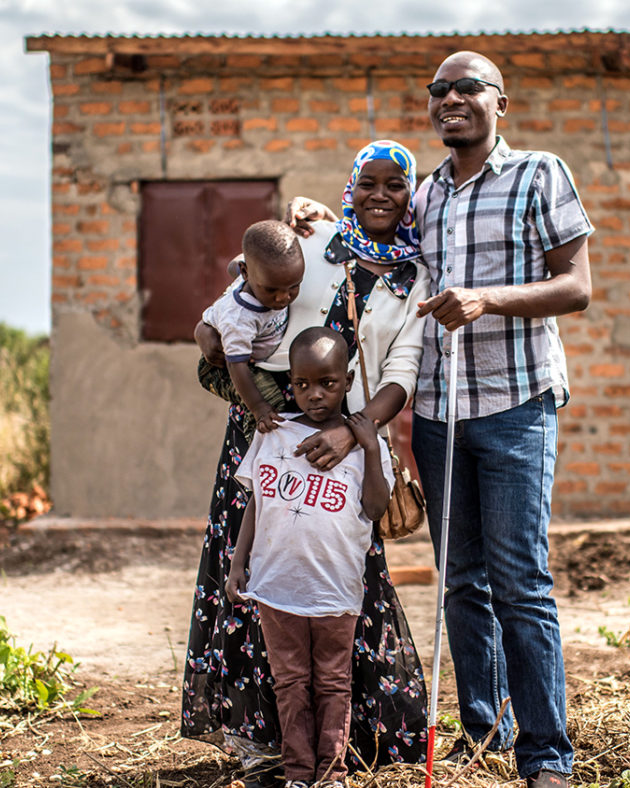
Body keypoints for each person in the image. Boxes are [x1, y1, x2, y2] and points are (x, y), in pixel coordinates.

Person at [287, 52, 593, 788]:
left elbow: (577, 286)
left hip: (517, 404)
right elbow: (380, 230)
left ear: (501, 103)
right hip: (442, 415)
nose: (451, 98)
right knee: (461, 582)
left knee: (520, 580)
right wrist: (319, 217)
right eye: (439, 91)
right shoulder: (425, 194)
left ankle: (545, 756)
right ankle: (483, 732)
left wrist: (488, 299)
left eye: (468, 88)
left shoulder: (538, 174)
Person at [182, 140, 433, 788]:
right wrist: (217, 334)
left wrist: (358, 434)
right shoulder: (316, 242)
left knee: (341, 586)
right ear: (350, 189)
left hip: (343, 453)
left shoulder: (415, 280)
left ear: (411, 197)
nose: (381, 196)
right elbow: (256, 298)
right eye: (368, 184)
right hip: (269, 436)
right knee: (256, 578)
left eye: (395, 186)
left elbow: (401, 371)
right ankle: (262, 743)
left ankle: (346, 746)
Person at [227, 327, 394, 788]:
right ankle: (300, 774)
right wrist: (238, 563)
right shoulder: (274, 433)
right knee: (290, 683)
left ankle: (332, 774)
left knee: (334, 683)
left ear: (348, 377)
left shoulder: (360, 443)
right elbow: (256, 503)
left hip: (334, 590)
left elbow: (376, 508)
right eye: (302, 384)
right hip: (277, 587)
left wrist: (372, 448)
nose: (314, 395)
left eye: (327, 383)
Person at [199, 220, 306, 432]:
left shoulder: (266, 272)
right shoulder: (240, 317)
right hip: (222, 367)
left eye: (294, 286)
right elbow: (236, 365)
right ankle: (257, 449)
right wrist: (259, 408)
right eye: (272, 289)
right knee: (271, 404)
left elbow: (236, 264)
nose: (283, 297)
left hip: (248, 359)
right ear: (246, 273)